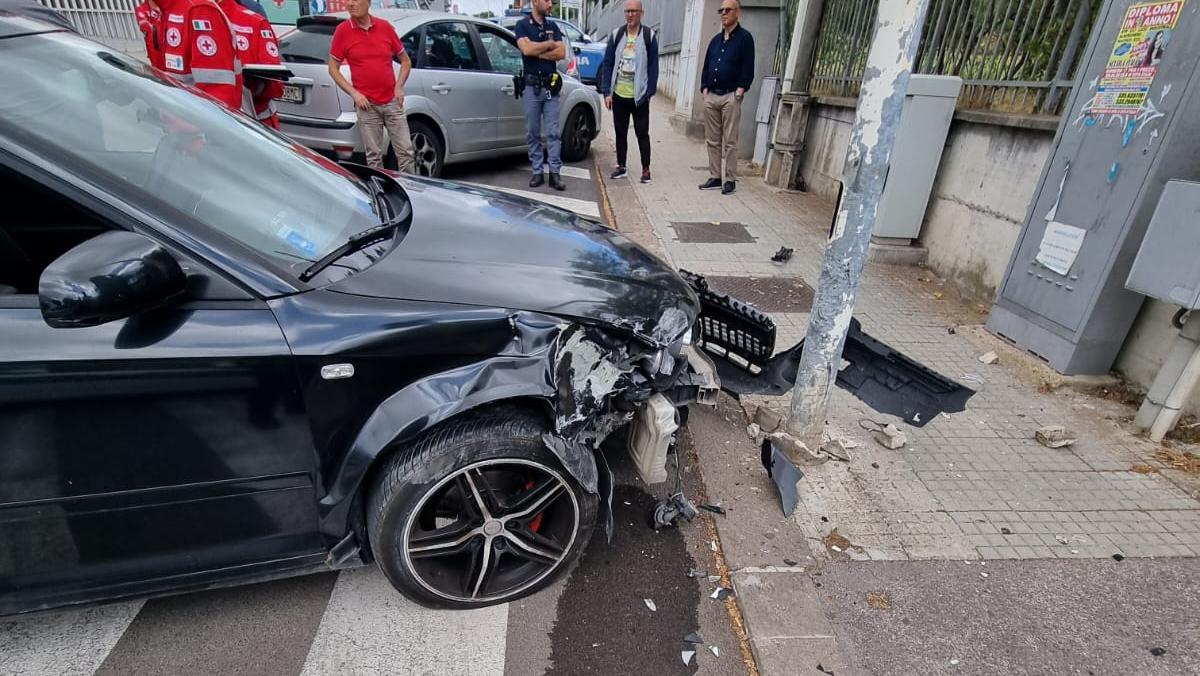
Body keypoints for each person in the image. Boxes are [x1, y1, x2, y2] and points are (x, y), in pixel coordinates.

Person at [327, 0, 414, 172]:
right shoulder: (343, 31)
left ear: (368, 2)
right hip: (367, 105)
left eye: (355, 0)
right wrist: (354, 93)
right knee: (374, 156)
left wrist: (399, 87)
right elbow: (332, 68)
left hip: (391, 100)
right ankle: (379, 187)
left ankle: (409, 186)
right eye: (348, 0)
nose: (350, 4)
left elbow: (405, 61)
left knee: (406, 151)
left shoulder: (384, 27)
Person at [142, 0, 245, 113]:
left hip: (200, 119)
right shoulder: (162, 10)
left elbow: (217, 94)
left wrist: (180, 120)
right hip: (176, 114)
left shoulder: (200, 10)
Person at [599, 0, 658, 184]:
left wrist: (649, 92)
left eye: (634, 11)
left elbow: (653, 66)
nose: (630, 15)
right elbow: (608, 63)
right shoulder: (616, 35)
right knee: (620, 132)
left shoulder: (648, 36)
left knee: (642, 133)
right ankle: (621, 166)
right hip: (619, 95)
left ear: (641, 13)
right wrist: (607, 92)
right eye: (627, 11)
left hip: (639, 97)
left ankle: (646, 170)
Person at [699, 0, 754, 195]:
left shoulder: (745, 38)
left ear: (737, 12)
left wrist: (740, 90)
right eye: (720, 10)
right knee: (712, 140)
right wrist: (704, 89)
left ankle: (730, 179)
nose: (723, 13)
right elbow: (707, 65)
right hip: (712, 95)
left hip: (731, 95)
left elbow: (748, 67)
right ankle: (715, 176)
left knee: (730, 141)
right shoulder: (715, 41)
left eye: (727, 10)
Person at [514, 0, 567, 191]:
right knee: (533, 132)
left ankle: (554, 173)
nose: (551, 4)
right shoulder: (522, 25)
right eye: (547, 0)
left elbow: (561, 52)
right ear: (536, 2)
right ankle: (537, 171)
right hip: (531, 87)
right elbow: (526, 49)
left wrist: (538, 51)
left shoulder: (553, 26)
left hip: (550, 86)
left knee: (554, 133)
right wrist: (549, 44)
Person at [218, 0, 284, 128]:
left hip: (253, 126)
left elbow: (277, 84)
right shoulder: (186, 15)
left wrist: (253, 85)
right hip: (195, 122)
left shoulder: (254, 21)